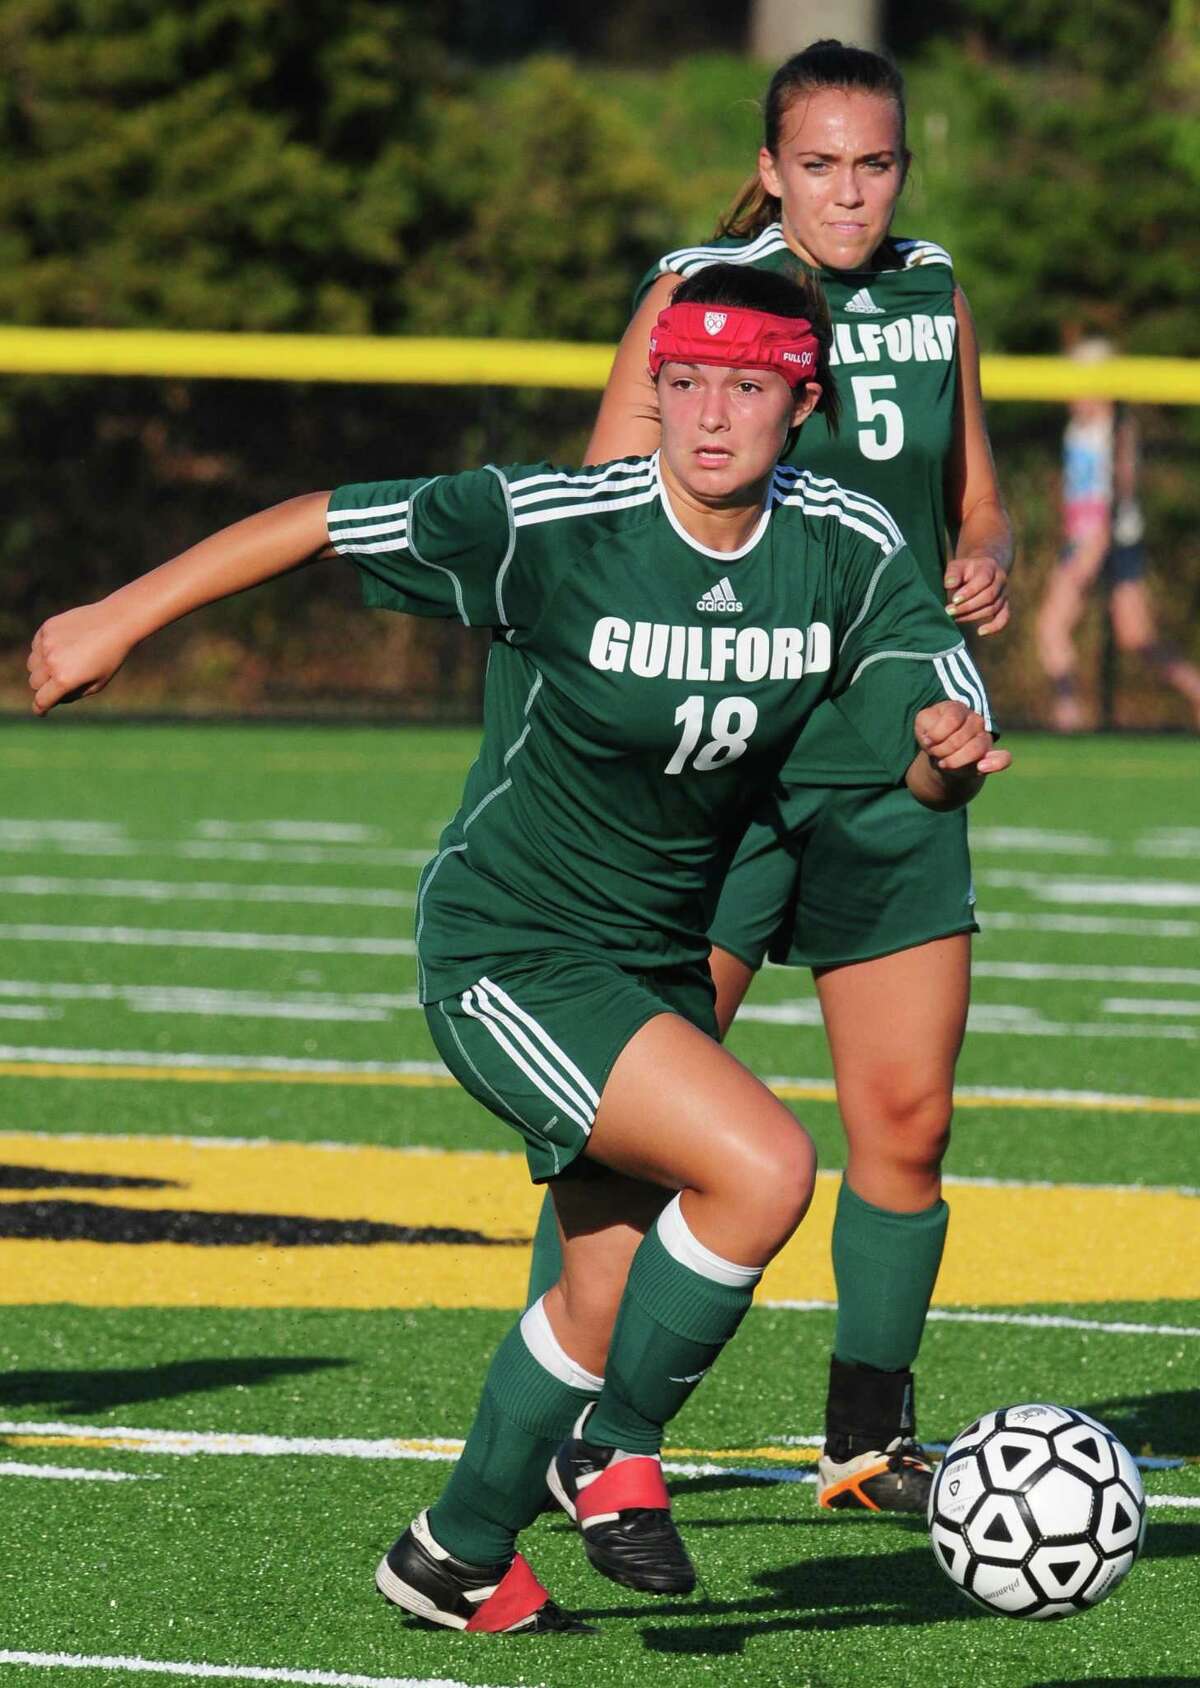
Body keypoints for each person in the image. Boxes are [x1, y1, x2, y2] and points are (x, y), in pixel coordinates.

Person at [28, 263, 1007, 1635]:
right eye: (684, 382)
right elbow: (320, 520)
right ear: (654, 389)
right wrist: (117, 617)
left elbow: (923, 729)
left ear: (805, 401)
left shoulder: (842, 543)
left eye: (745, 386)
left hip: (651, 954)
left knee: (601, 1295)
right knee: (764, 1168)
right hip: (509, 945)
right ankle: (611, 1448)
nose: (708, 415)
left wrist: (946, 770)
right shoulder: (560, 523)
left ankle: (456, 1552)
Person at [524, 37, 1016, 1516]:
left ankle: (868, 1441)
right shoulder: (698, 293)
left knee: (908, 1117)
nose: (849, 192)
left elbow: (973, 490)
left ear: (903, 169)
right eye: (818, 163)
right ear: (769, 168)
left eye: (875, 163)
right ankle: (577, 1418)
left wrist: (985, 553)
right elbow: (609, 502)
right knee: (645, 1109)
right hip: (728, 748)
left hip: (896, 750)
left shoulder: (935, 293)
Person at [1036, 342, 1200, 731]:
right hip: (1085, 540)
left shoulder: (1116, 428)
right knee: (1120, 635)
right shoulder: (1077, 427)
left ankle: (1068, 717)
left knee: (1062, 629)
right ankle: (1069, 713)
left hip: (1107, 541)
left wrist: (1093, 548)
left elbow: (1116, 493)